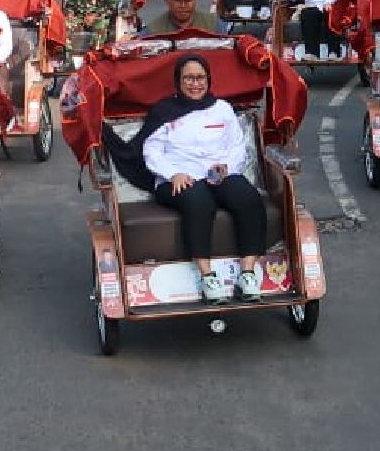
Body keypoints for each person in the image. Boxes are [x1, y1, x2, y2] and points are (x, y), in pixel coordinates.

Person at [111, 55, 267, 304]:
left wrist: (226, 166)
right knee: (199, 202)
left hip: (219, 174)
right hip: (177, 179)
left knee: (247, 197)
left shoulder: (222, 109)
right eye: (189, 78)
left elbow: (236, 145)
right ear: (178, 82)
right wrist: (172, 173)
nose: (195, 84)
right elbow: (151, 150)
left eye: (200, 78)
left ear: (208, 80)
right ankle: (207, 277)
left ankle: (247, 273)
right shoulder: (165, 111)